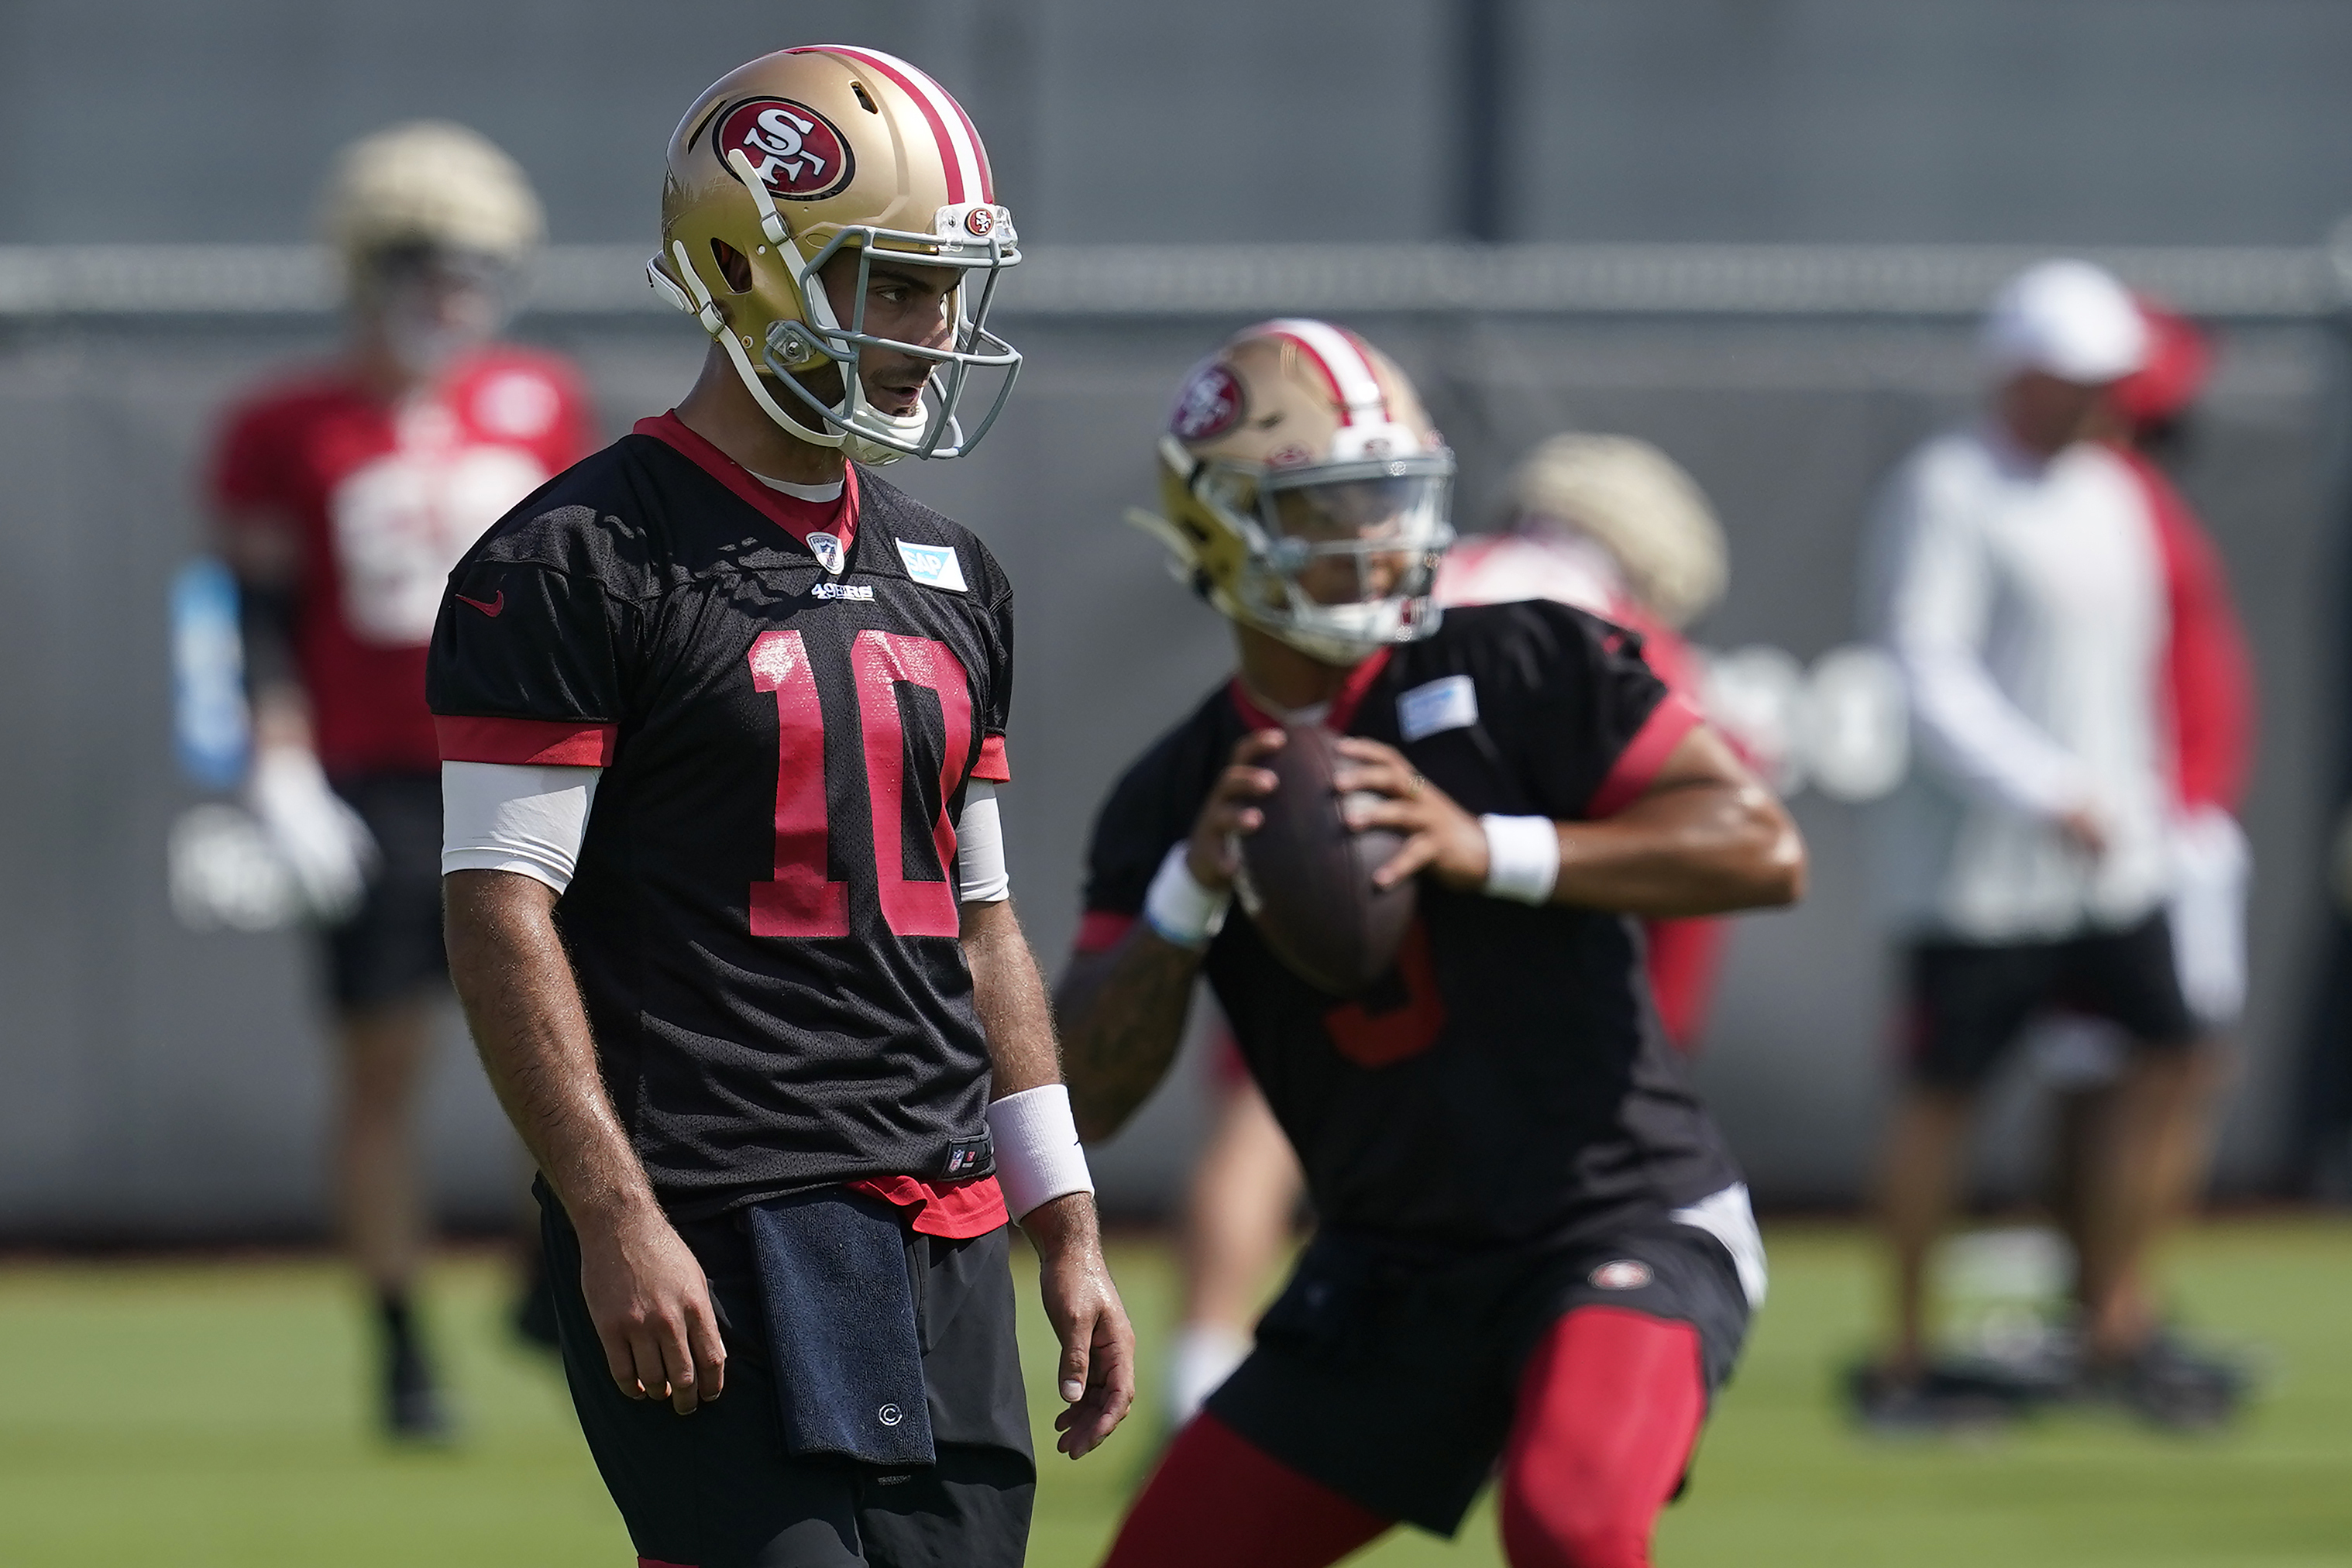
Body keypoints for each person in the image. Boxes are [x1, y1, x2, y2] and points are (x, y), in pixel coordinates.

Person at [428, 46, 1131, 1568]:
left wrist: (1061, 1213)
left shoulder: (957, 572)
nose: (931, 332)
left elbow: (986, 926)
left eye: (946, 287)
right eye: (889, 282)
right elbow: (498, 911)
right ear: (745, 266)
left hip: (941, 1220)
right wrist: (613, 1212)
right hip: (721, 1213)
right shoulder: (571, 558)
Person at [1062, 319, 1803, 1568]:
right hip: (1389, 1271)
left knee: (1570, 1522)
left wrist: (1494, 848)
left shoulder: (1520, 657)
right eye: (1332, 504)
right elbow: (1083, 1091)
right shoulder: (1174, 793)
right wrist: (1190, 895)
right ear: (1219, 525)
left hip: (1615, 1220)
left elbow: (1759, 846)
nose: (1377, 536)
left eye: (1390, 498)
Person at [1161, 432, 1740, 1432]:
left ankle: (1200, 1366)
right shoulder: (1623, 635)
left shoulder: (1411, 576)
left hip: (1319, 837)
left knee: (1257, 1118)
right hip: (1499, 923)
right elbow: (1714, 831)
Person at [207, 122, 593, 1439]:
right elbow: (251, 608)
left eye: (474, 269)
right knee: (384, 1064)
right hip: (371, 772)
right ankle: (399, 1346)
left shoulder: (540, 397)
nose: (452, 298)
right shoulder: (282, 423)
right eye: (426, 266)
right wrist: (273, 761)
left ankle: (554, 1271)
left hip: (526, 757)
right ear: (364, 269)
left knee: (568, 1037)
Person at [1856, 260, 2241, 1429]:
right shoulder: (1948, 489)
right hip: (1975, 880)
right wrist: (2042, 787)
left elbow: (2127, 677)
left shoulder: (2117, 492)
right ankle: (1906, 1360)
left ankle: (2115, 1322)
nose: (2101, 402)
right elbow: (1926, 666)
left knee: (2173, 1054)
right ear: (2020, 376)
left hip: (2112, 865)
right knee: (1945, 1097)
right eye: (2077, 380)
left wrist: (2140, 804)